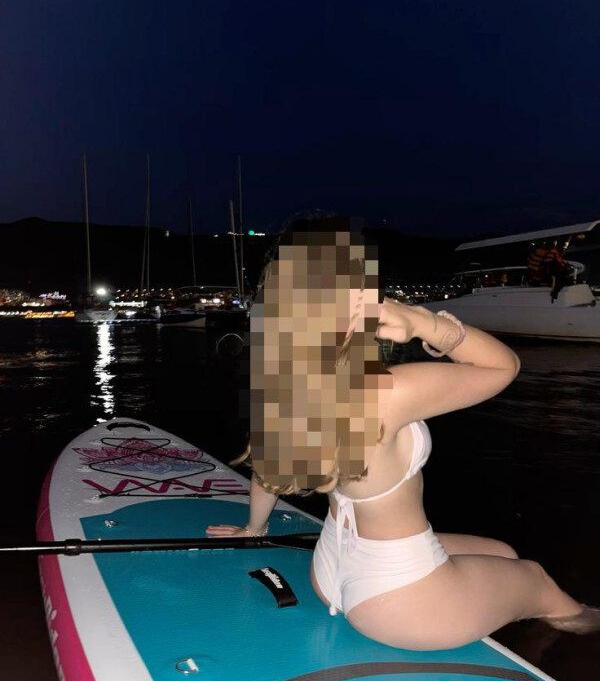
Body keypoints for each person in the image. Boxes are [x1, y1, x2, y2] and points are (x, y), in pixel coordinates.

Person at [206, 218, 599, 650]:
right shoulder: (386, 392)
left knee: (502, 553)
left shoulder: (289, 387)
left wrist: (254, 528)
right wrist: (422, 323)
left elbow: (268, 470)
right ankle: (580, 628)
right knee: (536, 578)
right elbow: (505, 367)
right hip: (399, 602)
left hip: (331, 571)